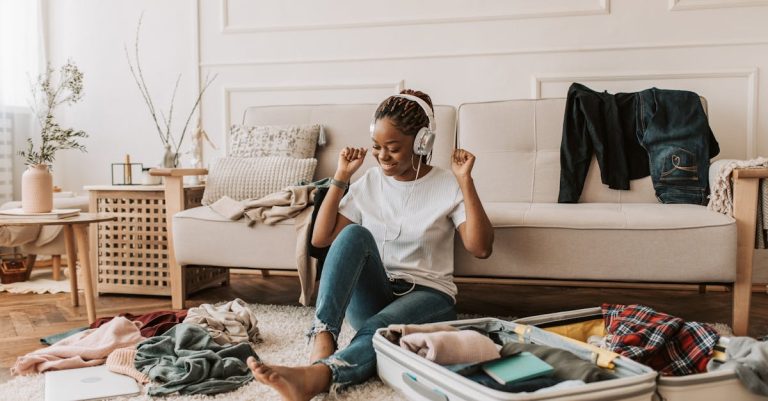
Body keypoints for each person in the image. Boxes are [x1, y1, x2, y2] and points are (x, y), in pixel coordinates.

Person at [248, 89, 494, 401]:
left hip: (429, 297)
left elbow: (480, 247)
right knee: (354, 235)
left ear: (422, 143)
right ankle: (323, 338)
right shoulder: (370, 182)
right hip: (377, 293)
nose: (382, 156)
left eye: (393, 149)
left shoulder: (448, 184)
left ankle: (318, 376)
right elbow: (321, 238)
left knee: (378, 329)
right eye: (377, 147)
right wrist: (340, 177)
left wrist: (466, 181)